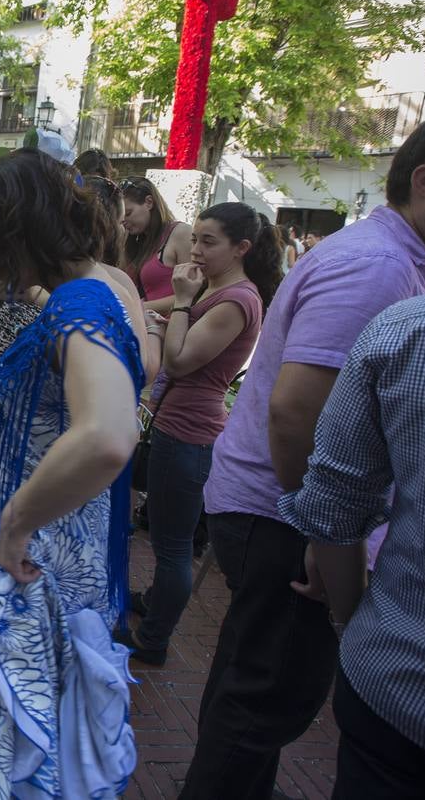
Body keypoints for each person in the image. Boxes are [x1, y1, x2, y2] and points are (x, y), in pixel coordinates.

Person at [179, 102, 425, 800]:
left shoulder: (387, 257)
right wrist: (324, 533)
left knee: (250, 685)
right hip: (284, 516)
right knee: (266, 699)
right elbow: (298, 410)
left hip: (275, 508)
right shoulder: (379, 267)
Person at [0, 149, 143, 798]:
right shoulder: (95, 286)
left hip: (41, 559)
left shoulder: (80, 304)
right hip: (55, 546)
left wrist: (15, 522)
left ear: (16, 233)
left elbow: (108, 434)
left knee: (15, 742)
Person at [279, 269, 425, 800]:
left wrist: (349, 618)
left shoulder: (411, 323)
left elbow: (332, 506)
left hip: (395, 687)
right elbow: (330, 498)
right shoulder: (401, 304)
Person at [121, 202, 281, 666]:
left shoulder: (236, 300)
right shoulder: (217, 288)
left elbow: (179, 361)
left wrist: (180, 304)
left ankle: (153, 640)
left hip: (188, 434)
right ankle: (154, 602)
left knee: (172, 546)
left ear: (242, 248)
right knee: (166, 536)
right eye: (195, 238)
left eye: (208, 242)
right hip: (177, 426)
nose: (195, 250)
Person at [120, 175, 192, 314]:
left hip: (171, 322)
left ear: (149, 202)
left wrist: (139, 307)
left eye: (128, 213)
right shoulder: (137, 240)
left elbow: (193, 293)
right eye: (121, 217)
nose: (124, 221)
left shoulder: (181, 233)